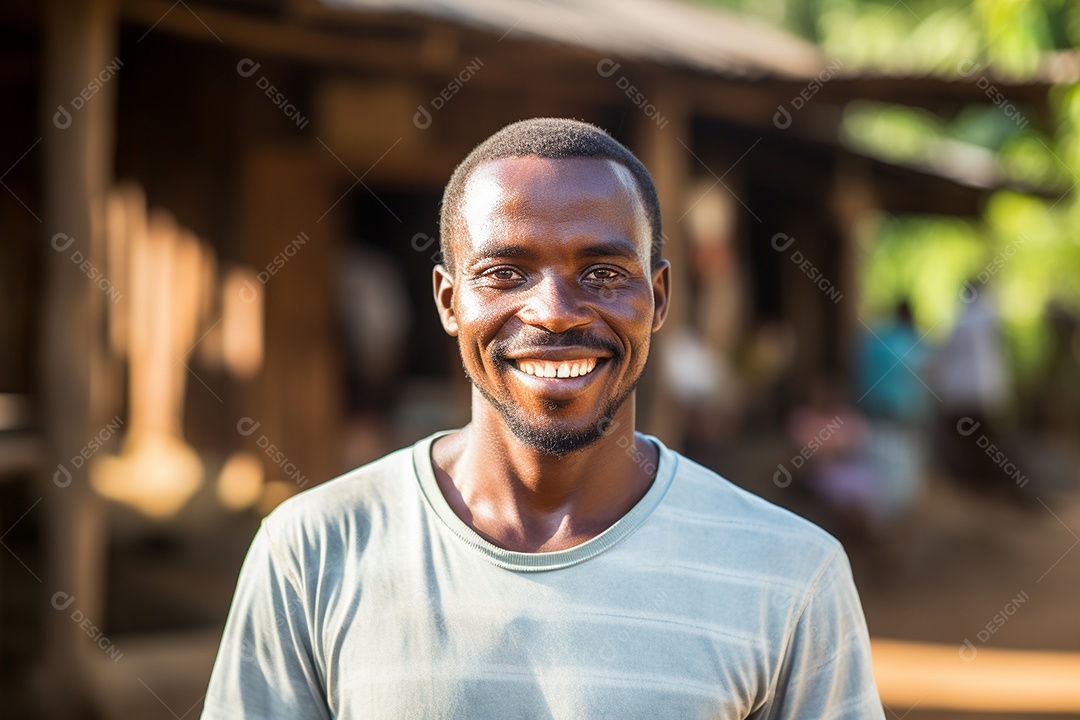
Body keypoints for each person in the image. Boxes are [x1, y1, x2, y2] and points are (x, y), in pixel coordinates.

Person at [201, 118, 883, 719]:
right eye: (505, 272)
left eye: (604, 273)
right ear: (448, 301)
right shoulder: (312, 553)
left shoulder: (789, 574)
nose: (554, 310)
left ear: (661, 296)